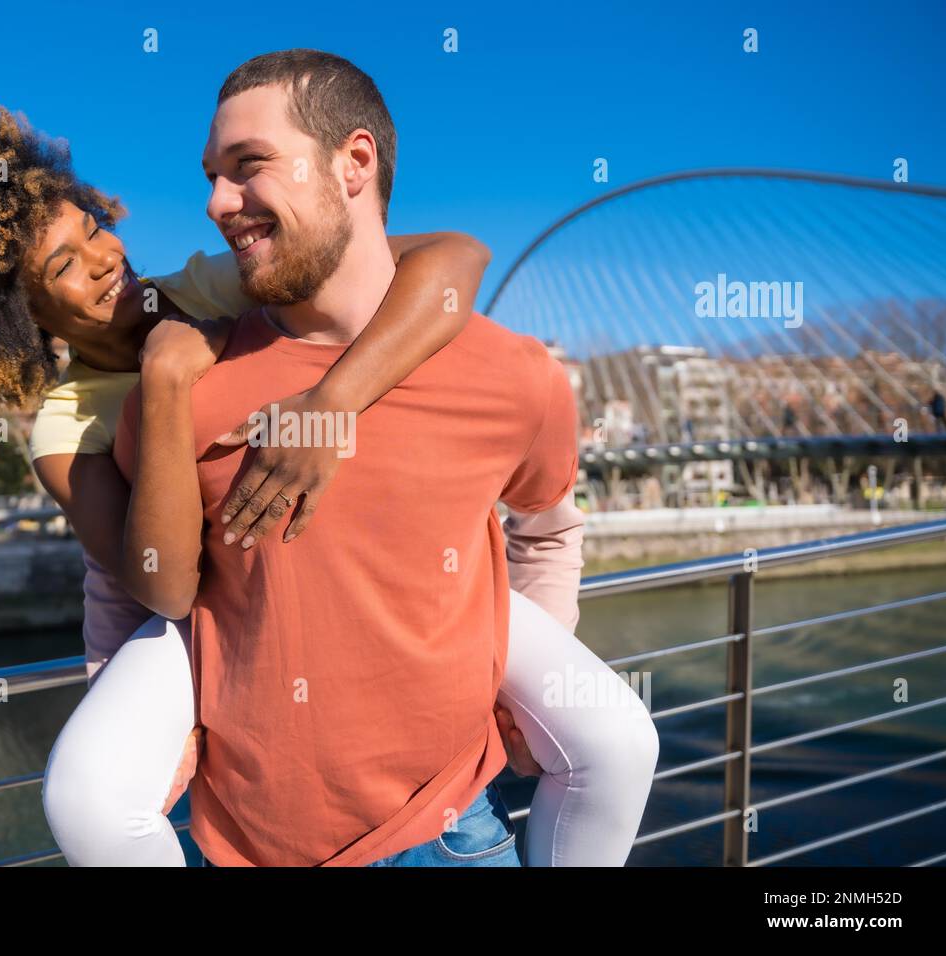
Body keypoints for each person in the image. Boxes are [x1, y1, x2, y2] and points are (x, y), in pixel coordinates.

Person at [102, 49, 659, 866]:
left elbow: (546, 529)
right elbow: (125, 579)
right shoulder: (184, 379)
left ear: (354, 162)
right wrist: (135, 728)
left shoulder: (515, 376)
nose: (219, 203)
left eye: (248, 166)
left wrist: (525, 700)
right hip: (238, 848)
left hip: (455, 837)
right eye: (211, 176)